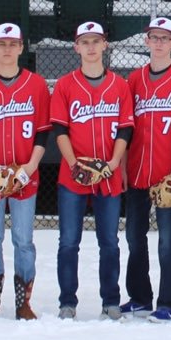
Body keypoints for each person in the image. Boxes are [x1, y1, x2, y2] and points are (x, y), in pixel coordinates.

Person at [50, 21, 134, 321]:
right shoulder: (65, 85)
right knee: (69, 241)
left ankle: (111, 300)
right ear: (76, 47)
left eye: (95, 41)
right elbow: (59, 130)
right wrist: (74, 164)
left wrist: (113, 163)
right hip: (73, 175)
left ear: (105, 45)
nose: (90, 47)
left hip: (108, 175)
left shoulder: (120, 85)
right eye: (84, 42)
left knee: (109, 241)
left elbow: (125, 130)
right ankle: (67, 302)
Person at [0, 23, 50, 320]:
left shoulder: (36, 85)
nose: (6, 49)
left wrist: (29, 168)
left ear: (20, 47)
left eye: (12, 43)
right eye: (1, 44)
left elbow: (42, 133)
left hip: (24, 176)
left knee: (23, 239)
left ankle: (23, 302)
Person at [121, 17, 171, 322]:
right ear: (147, 41)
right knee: (134, 238)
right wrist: (125, 166)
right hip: (138, 169)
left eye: (166, 38)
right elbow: (126, 127)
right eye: (155, 37)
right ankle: (140, 297)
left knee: (168, 240)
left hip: (168, 174)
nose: (160, 43)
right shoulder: (134, 80)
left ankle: (166, 302)